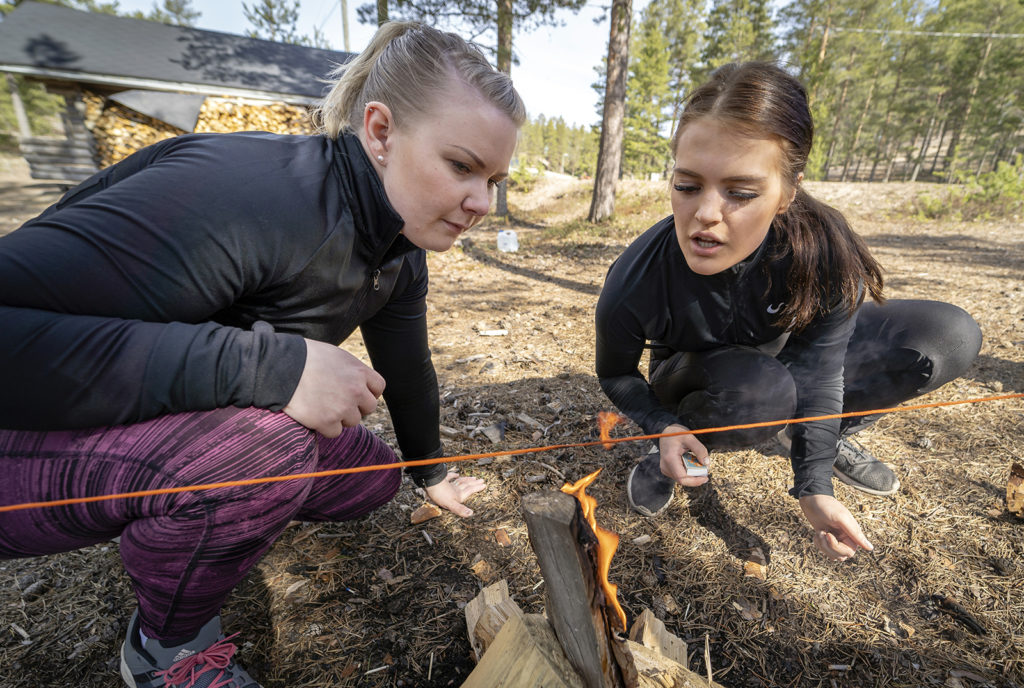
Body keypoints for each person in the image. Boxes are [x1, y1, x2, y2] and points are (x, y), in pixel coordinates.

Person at [0, 21, 523, 688]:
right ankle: (165, 652)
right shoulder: (246, 198)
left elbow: (409, 370)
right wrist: (274, 369)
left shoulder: (395, 247)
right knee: (266, 451)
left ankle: (205, 512)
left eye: (495, 179)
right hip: (21, 434)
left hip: (136, 410)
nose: (483, 202)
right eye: (462, 167)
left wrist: (430, 472)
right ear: (381, 132)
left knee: (371, 474)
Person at [595, 62, 981, 564]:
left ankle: (815, 438)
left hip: (787, 358)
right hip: (697, 378)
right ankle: (672, 449)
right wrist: (661, 423)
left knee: (949, 334)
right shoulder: (638, 278)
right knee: (760, 390)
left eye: (741, 192)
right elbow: (617, 374)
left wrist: (814, 487)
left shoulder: (824, 250)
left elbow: (821, 373)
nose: (706, 213)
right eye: (687, 186)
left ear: (788, 192)